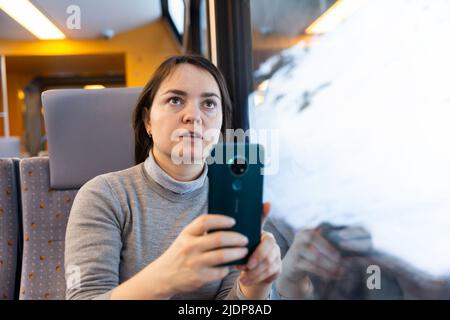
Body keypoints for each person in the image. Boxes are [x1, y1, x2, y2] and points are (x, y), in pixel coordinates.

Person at [64, 55, 281, 300]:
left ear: (221, 125)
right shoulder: (104, 195)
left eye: (209, 103)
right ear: (147, 120)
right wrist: (167, 277)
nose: (193, 116)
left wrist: (255, 286)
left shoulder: (235, 199)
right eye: (175, 100)